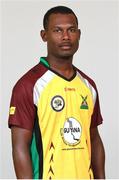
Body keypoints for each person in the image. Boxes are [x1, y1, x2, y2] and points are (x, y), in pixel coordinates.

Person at [8, 6, 105, 179]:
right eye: (58, 30)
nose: (66, 37)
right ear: (44, 36)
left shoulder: (88, 85)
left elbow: (94, 139)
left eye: (71, 30)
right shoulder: (29, 85)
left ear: (79, 34)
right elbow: (20, 146)